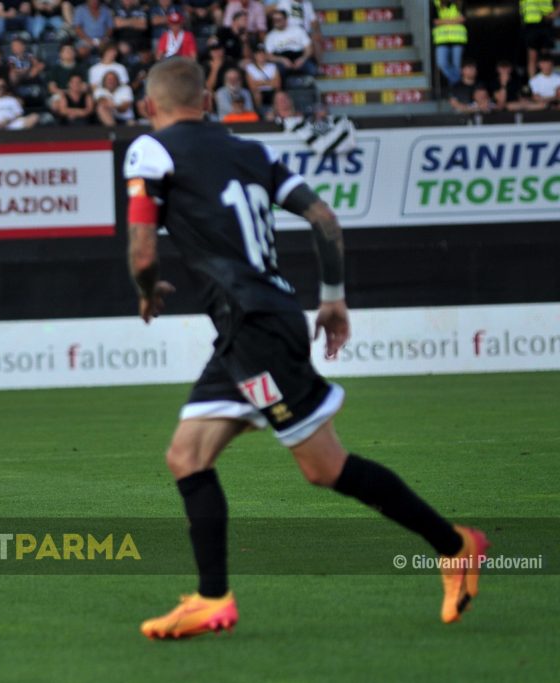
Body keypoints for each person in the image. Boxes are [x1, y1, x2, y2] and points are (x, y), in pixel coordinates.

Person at [122, 56, 488, 640]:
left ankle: (455, 546)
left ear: (150, 107)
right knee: (186, 457)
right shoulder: (253, 152)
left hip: (255, 331)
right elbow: (324, 218)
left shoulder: (150, 150)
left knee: (324, 467)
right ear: (209, 100)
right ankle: (212, 599)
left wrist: (146, 292)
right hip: (255, 325)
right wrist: (334, 297)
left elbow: (143, 253)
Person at [264, 9, 316, 78]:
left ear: (285, 20)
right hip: (282, 58)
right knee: (276, 72)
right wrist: (282, 60)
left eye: (279, 19)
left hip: (299, 56)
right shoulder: (270, 36)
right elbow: (269, 56)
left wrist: (302, 59)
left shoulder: (298, 30)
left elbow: (309, 48)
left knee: (312, 69)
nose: (276, 22)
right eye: (274, 20)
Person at [431, 0, 466, 87]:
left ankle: (454, 88)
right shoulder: (436, 3)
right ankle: (458, 83)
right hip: (442, 40)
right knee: (442, 64)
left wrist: (444, 21)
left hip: (457, 39)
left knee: (456, 66)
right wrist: (454, 21)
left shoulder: (460, 2)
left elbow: (462, 19)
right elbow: (435, 21)